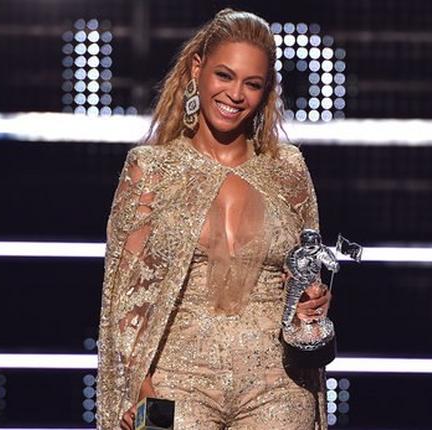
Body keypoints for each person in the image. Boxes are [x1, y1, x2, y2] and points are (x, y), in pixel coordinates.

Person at [96, 9, 332, 429]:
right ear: (197, 69)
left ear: (266, 91)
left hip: (278, 384)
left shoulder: (287, 169)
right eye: (225, 76)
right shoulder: (150, 169)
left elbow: (307, 275)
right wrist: (139, 386)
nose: (236, 94)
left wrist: (312, 302)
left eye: (252, 84)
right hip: (176, 382)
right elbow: (124, 298)